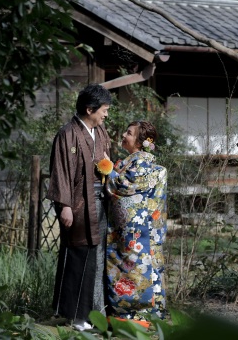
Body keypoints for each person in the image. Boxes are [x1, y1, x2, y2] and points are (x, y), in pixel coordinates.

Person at [47, 83, 112, 331]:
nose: (106, 115)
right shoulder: (68, 134)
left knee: (96, 257)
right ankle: (76, 316)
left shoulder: (100, 131)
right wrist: (64, 205)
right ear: (89, 109)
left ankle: (94, 313)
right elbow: (60, 171)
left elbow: (106, 161)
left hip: (99, 202)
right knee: (78, 255)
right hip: (76, 204)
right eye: (104, 110)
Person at [105, 120, 167, 325]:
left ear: (140, 142)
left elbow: (123, 186)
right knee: (143, 268)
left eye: (129, 133)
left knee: (134, 268)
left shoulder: (140, 162)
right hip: (144, 228)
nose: (124, 135)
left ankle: (134, 316)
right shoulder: (135, 161)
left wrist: (108, 170)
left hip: (137, 230)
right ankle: (149, 315)